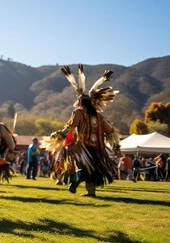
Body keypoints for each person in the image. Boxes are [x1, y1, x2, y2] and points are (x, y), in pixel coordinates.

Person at [45, 65, 121, 197]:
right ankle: (91, 192)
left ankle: (76, 181)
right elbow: (110, 130)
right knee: (91, 169)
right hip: (97, 148)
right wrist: (115, 143)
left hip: (82, 147)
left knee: (83, 167)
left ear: (80, 102)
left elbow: (71, 126)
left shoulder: (78, 112)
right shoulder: (98, 116)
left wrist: (59, 134)